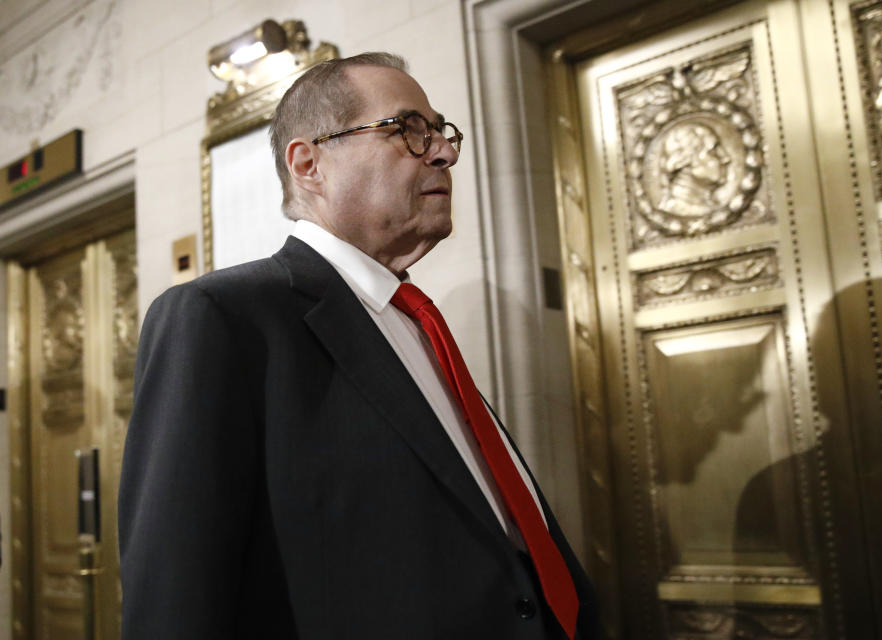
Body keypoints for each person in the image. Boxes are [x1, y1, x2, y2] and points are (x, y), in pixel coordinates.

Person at [118, 52, 599, 639]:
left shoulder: (418, 322)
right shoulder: (222, 318)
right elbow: (174, 600)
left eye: (442, 133)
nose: (444, 152)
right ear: (309, 163)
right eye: (408, 131)